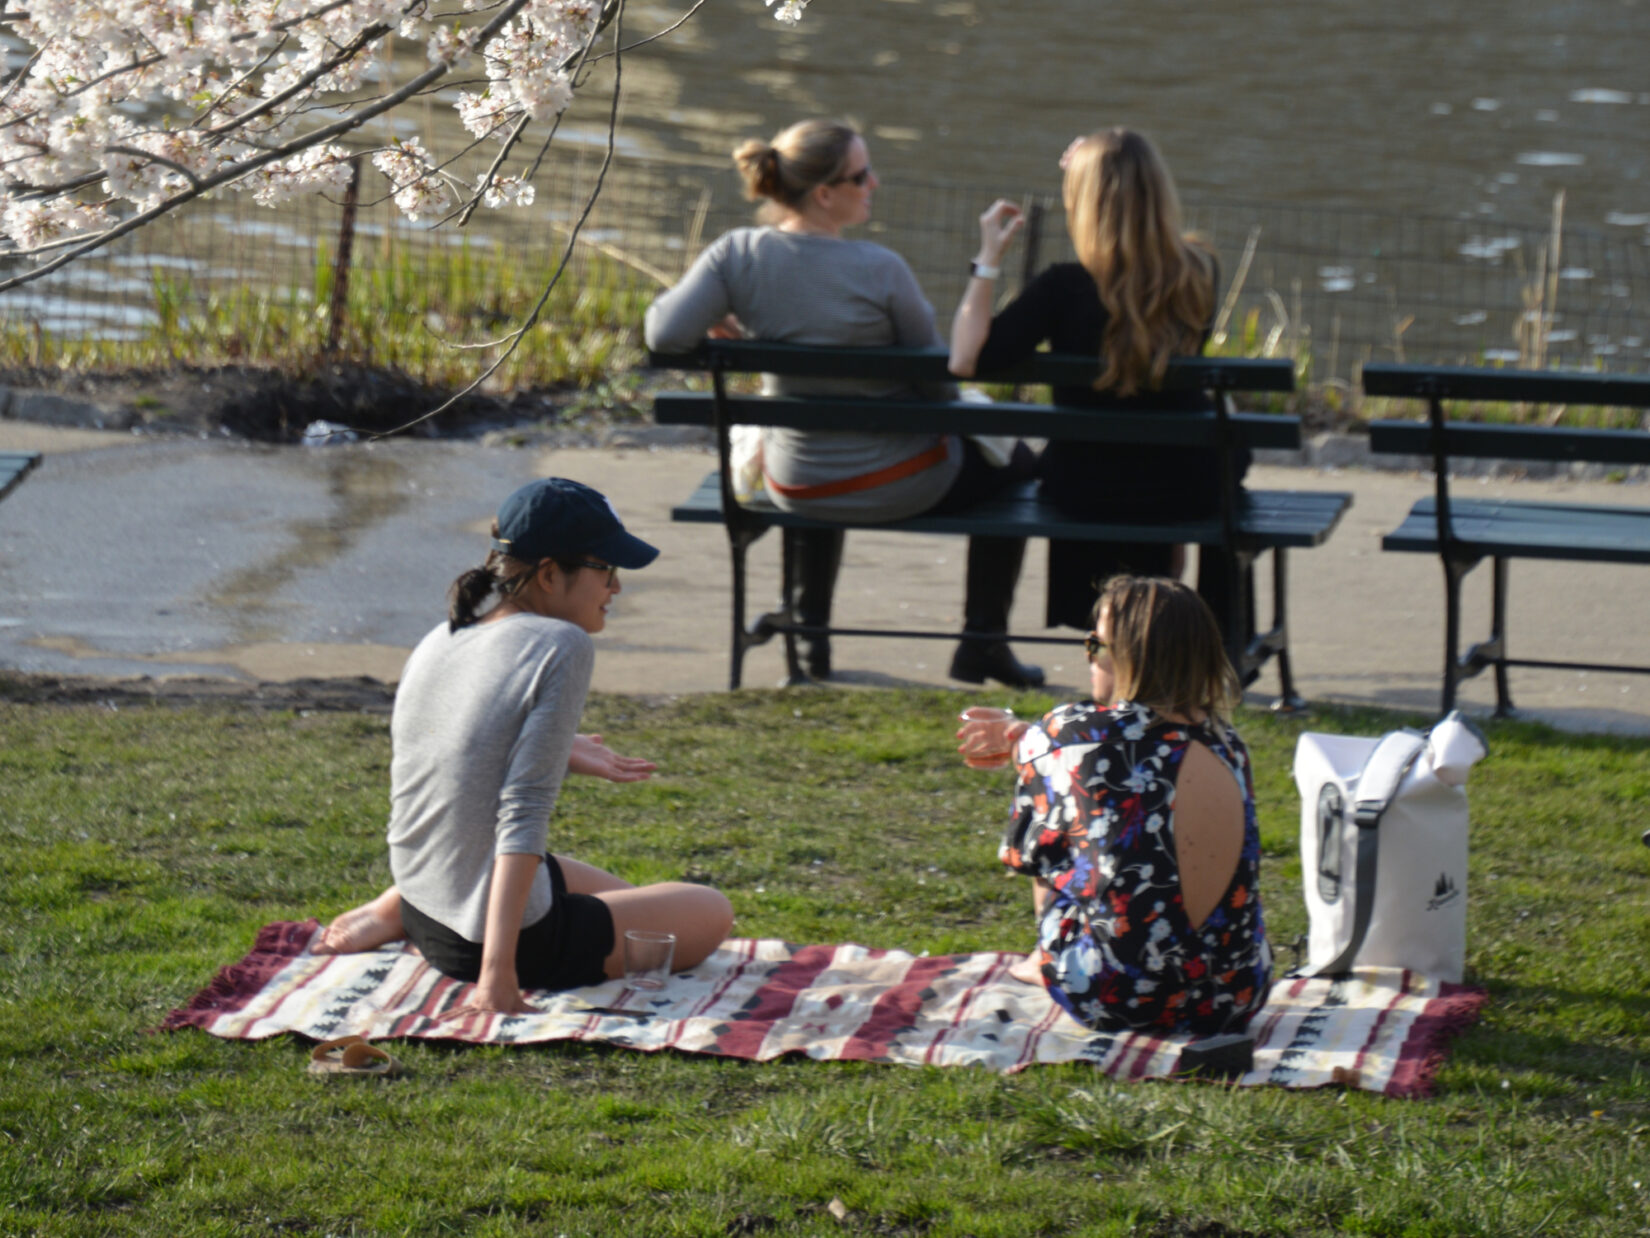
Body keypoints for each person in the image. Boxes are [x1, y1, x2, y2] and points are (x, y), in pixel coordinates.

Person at [644, 117, 1042, 689]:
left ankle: (811, 646)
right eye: (862, 175)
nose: (874, 183)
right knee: (1017, 465)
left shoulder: (737, 255)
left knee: (814, 441)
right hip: (903, 483)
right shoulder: (881, 270)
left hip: (795, 482)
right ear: (825, 193)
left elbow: (663, 334)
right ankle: (983, 643)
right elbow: (939, 392)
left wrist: (720, 319)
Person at [315, 477, 734, 1019]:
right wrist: (498, 974)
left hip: (427, 907)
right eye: (606, 569)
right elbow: (524, 810)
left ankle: (391, 909)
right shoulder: (561, 644)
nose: (617, 587)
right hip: (493, 943)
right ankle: (492, 949)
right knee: (708, 909)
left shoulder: (448, 633)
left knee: (635, 897)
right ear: (549, 573)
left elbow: (450, 758)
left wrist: (564, 746)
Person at [948, 128, 1246, 633]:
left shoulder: (1062, 289)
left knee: (1119, 464)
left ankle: (1104, 639)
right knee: (1209, 451)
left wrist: (988, 262)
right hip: (1185, 484)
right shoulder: (1200, 271)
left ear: (1083, 203)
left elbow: (965, 360)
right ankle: (1186, 637)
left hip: (1087, 484)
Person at [956, 576, 1271, 1035]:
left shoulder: (1067, 735)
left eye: (1096, 645)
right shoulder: (1229, 744)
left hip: (1114, 997)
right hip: (1235, 994)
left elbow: (1026, 854)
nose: (1090, 659)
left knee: (1056, 839)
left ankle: (1043, 958)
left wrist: (1026, 745)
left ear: (1131, 657)